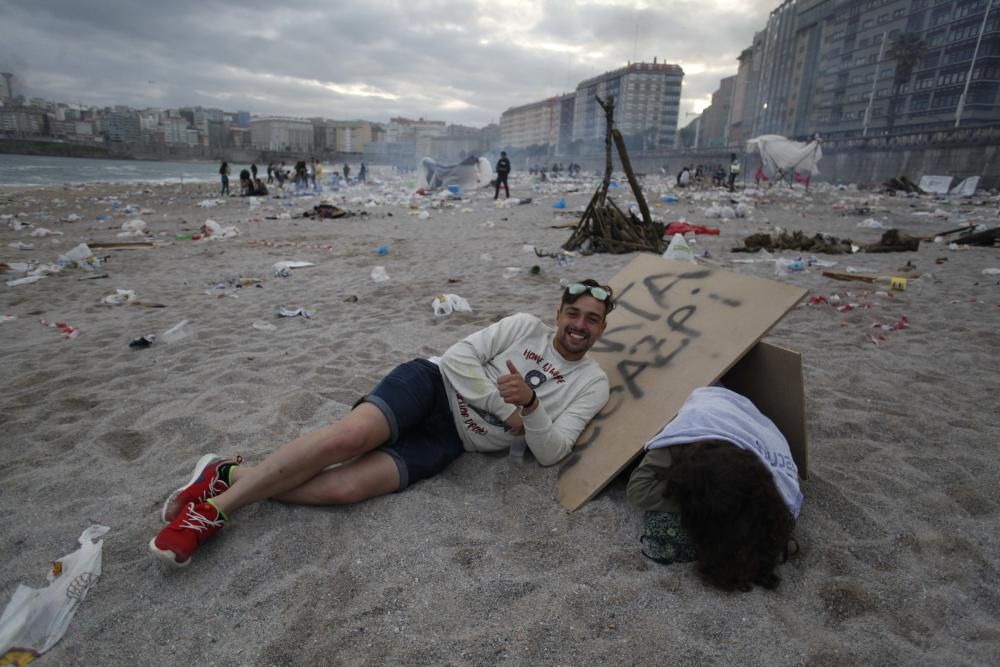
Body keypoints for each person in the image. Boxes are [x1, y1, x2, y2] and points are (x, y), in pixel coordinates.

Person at [149, 280, 616, 566]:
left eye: (591, 320)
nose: (579, 324)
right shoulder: (522, 326)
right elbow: (457, 358)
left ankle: (227, 475)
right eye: (572, 313)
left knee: (344, 490)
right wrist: (505, 406)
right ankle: (212, 512)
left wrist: (532, 406)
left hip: (453, 440)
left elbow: (552, 453)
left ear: (601, 329)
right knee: (348, 438)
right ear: (558, 314)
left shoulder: (591, 383)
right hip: (430, 384)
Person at [627, 386, 801, 592]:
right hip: (710, 395)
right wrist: (698, 507)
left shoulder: (771, 494)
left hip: (736, 418)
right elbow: (639, 488)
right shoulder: (687, 436)